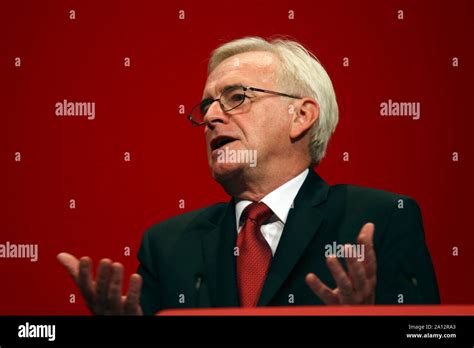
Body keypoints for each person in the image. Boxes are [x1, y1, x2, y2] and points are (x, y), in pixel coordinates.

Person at [58, 36, 440, 315]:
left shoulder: (380, 220)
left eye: (237, 97)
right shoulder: (168, 245)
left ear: (301, 116)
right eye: (206, 105)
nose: (209, 117)